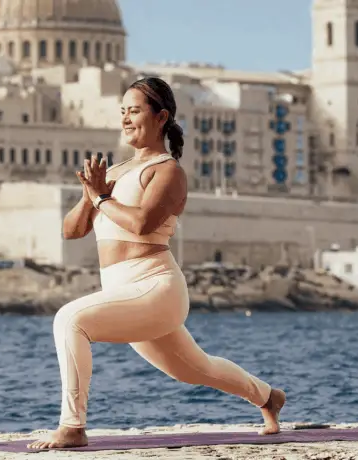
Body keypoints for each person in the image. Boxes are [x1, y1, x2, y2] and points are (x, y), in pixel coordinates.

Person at [27, 77, 285, 450]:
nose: (126, 119)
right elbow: (71, 231)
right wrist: (90, 195)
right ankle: (268, 397)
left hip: (157, 288)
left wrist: (101, 198)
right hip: (124, 290)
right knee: (195, 369)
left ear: (161, 116)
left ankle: (72, 426)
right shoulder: (113, 172)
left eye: (134, 111)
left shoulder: (168, 172)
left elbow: (143, 223)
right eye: (122, 112)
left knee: (69, 319)